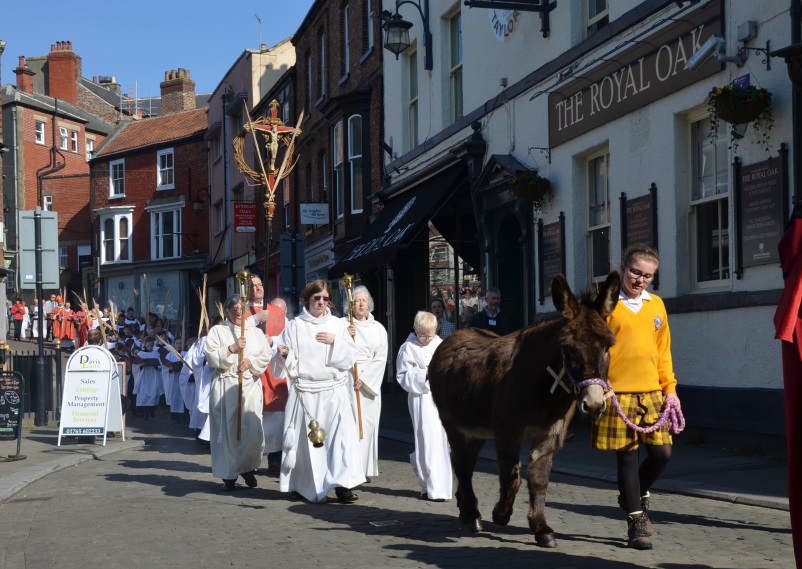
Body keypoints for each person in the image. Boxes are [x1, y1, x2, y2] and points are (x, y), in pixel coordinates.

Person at [592, 245, 681, 551]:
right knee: (628, 459)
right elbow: (593, 350)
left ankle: (633, 494)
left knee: (662, 454)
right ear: (623, 268)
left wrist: (670, 390)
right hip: (616, 393)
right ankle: (636, 524)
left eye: (648, 276)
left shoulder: (656, 305)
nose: (640, 280)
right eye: (635, 272)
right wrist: (599, 384)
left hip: (652, 393)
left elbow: (663, 351)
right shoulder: (606, 305)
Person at [272, 279, 363, 504]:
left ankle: (342, 485)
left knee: (338, 442)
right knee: (306, 444)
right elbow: (286, 359)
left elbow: (352, 356)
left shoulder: (339, 325)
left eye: (325, 298)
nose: (321, 302)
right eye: (316, 298)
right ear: (308, 299)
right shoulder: (294, 326)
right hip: (305, 392)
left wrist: (335, 342)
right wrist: (283, 355)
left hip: (333, 391)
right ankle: (302, 484)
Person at [206, 295, 272, 491]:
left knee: (251, 429)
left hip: (249, 386)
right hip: (226, 385)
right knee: (227, 432)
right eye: (233, 308)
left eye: (240, 308)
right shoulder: (218, 331)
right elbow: (210, 356)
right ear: (226, 312)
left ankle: (247, 468)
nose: (237, 312)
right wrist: (232, 349)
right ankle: (229, 474)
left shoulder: (256, 332)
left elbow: (265, 354)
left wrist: (250, 361)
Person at [396, 310, 452, 501]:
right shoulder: (408, 348)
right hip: (421, 399)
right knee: (425, 441)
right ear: (415, 329)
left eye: (430, 334)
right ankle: (427, 485)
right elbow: (403, 376)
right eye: (422, 335)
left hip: (440, 398)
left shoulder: (440, 345)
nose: (426, 339)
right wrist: (424, 375)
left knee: (441, 441)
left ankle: (441, 487)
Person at [342, 285, 388, 482]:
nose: (361, 304)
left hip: (368, 383)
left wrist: (366, 378)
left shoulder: (378, 329)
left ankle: (363, 467)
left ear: (369, 303)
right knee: (349, 425)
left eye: (363, 300)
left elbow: (381, 357)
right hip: (348, 380)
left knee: (366, 426)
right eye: (357, 301)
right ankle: (350, 468)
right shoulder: (343, 325)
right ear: (350, 305)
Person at [245, 275, 289, 472]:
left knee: (277, 417)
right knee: (253, 416)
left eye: (260, 285)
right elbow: (233, 331)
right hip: (251, 369)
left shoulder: (277, 313)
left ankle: (275, 456)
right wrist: (255, 319)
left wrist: (273, 341)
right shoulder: (241, 311)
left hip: (272, 368)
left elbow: (288, 336)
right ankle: (250, 460)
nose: (257, 289)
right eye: (252, 286)